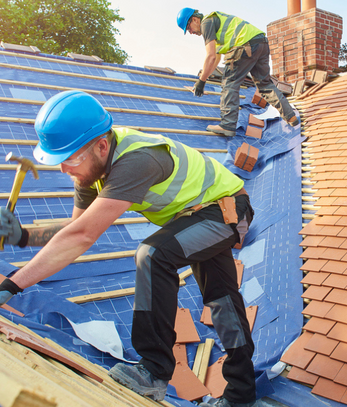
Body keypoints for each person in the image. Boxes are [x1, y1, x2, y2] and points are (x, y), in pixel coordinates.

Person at [0, 90, 259, 407]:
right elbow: (75, 229)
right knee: (222, 299)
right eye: (59, 161)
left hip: (227, 210)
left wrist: (12, 284)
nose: (65, 170)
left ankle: (153, 372)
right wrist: (24, 236)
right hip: (198, 215)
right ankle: (242, 395)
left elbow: (81, 237)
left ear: (102, 145)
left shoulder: (137, 161)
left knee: (153, 255)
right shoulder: (89, 169)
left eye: (69, 159)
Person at [177, 7, 299, 137]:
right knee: (265, 85)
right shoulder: (216, 25)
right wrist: (203, 79)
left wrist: (201, 82)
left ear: (195, 19)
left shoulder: (206, 23)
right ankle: (290, 116)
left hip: (245, 45)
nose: (190, 32)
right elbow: (215, 59)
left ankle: (227, 125)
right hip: (261, 43)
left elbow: (210, 56)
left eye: (189, 28)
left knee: (229, 83)